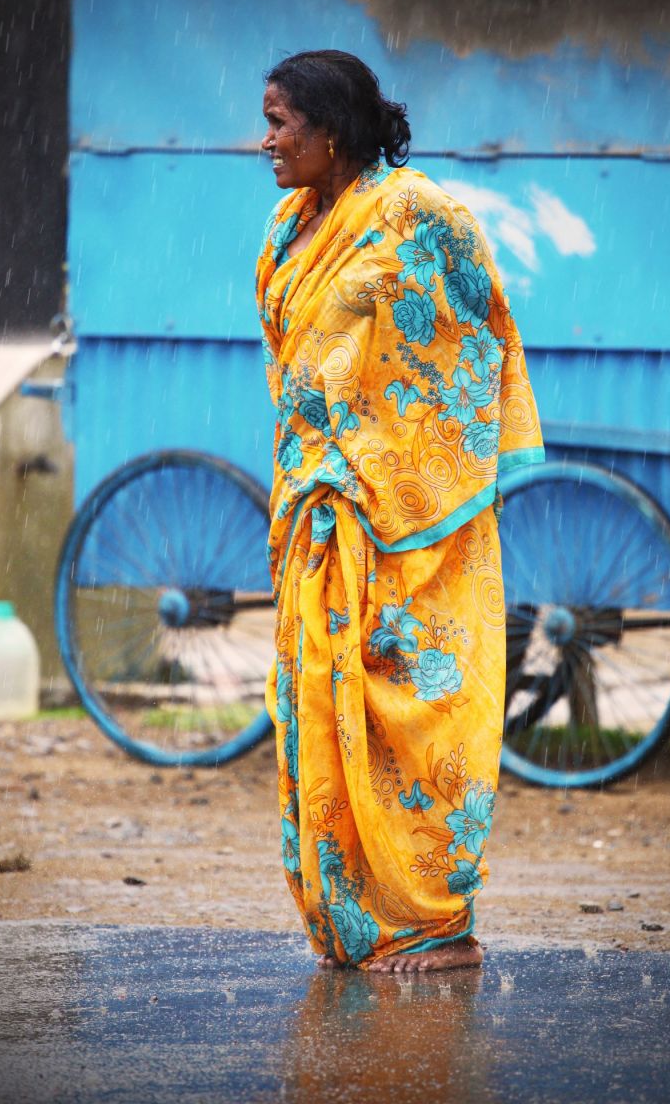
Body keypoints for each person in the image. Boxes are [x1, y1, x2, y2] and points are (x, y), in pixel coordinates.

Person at [256, 50, 543, 972]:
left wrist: (376, 475)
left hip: (407, 519)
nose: (264, 141)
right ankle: (362, 917)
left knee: (414, 707)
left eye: (279, 122)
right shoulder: (292, 224)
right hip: (319, 516)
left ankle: (438, 925)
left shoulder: (418, 216)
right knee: (323, 711)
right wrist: (323, 471)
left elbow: (466, 354)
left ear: (331, 132)